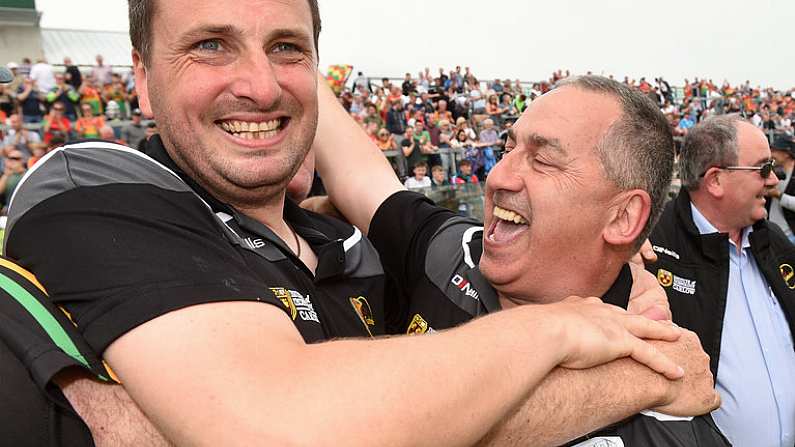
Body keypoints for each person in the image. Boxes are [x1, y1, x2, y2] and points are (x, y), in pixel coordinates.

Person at [0, 3, 710, 446]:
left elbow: (336, 145)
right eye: (209, 44)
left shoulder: (349, 247)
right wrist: (592, 352)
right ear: (142, 72)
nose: (497, 174)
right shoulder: (96, 191)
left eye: (287, 47)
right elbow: (288, 426)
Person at [313, 74, 725, 445]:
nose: (498, 177)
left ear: (622, 217)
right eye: (508, 148)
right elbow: (355, 169)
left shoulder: (670, 412)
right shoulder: (448, 249)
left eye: (543, 160)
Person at [647, 114, 795, 447]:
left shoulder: (773, 241)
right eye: (762, 168)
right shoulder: (652, 251)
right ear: (715, 180)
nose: (773, 180)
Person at [766, 136, 795, 243]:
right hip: (773, 233)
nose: (771, 154)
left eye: (774, 150)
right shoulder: (772, 171)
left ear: (787, 153)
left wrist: (778, 195)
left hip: (790, 235)